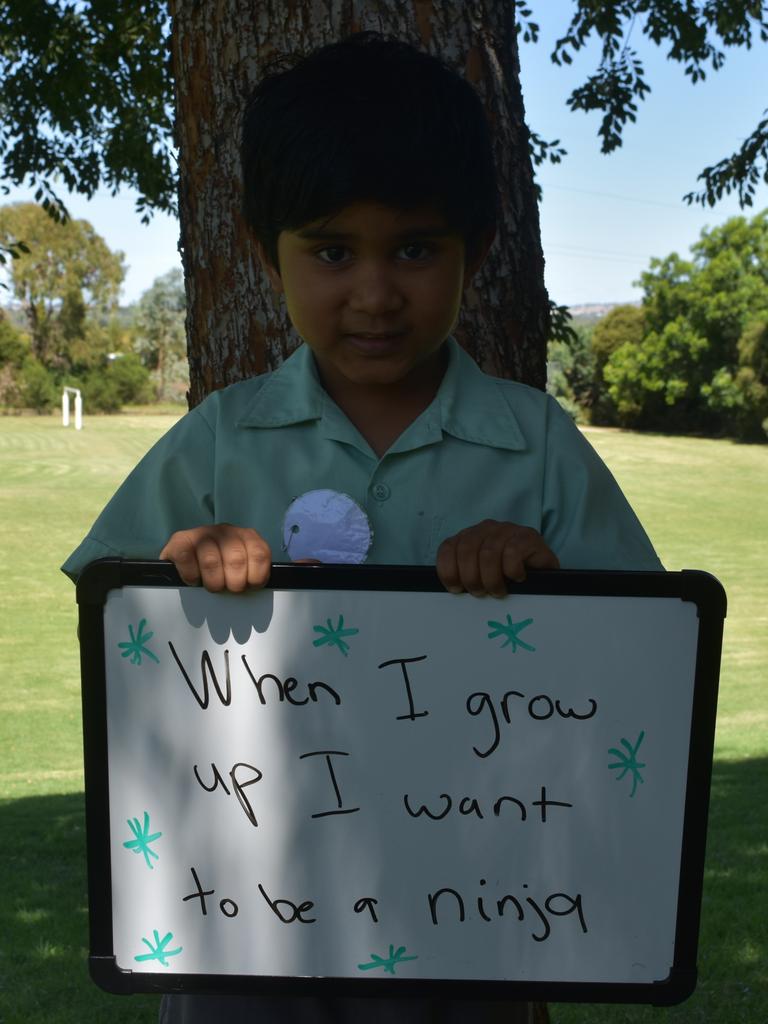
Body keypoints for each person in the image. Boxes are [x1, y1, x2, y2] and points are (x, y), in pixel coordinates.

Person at [63, 33, 662, 1024]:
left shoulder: (536, 445)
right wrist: (167, 572)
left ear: (476, 246)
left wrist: (550, 592)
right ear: (268, 253)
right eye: (333, 250)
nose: (377, 293)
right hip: (238, 937)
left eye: (416, 249)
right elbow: (115, 618)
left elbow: (639, 662)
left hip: (471, 929)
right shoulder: (222, 440)